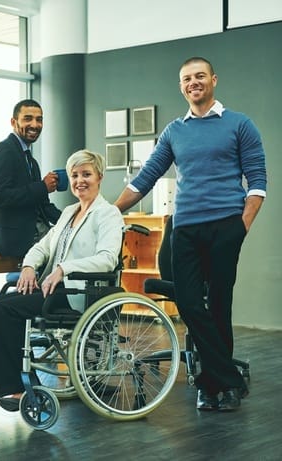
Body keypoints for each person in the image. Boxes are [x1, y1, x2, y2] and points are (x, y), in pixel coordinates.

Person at [114, 57, 266, 412]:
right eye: (187, 79)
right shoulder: (174, 131)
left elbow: (257, 182)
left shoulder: (240, 124)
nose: (193, 82)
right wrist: (106, 211)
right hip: (184, 228)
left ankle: (212, 386)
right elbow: (144, 179)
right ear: (181, 86)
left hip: (225, 226)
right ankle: (228, 379)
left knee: (219, 306)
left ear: (213, 80)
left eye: (200, 76)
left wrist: (240, 227)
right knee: (189, 303)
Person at [0, 150, 123, 411]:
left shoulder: (108, 214)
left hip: (77, 292)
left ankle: (15, 387)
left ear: (99, 177)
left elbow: (107, 259)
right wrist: (27, 266)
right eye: (75, 175)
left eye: (86, 174)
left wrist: (63, 268)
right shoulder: (70, 212)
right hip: (54, 289)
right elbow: (42, 246)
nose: (80, 180)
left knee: (5, 309)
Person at [0, 99, 62, 257]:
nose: (34, 124)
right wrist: (42, 187)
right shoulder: (3, 152)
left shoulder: (30, 161)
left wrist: (73, 218)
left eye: (39, 120)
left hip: (33, 235)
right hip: (12, 239)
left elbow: (43, 205)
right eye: (28, 118)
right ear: (13, 122)